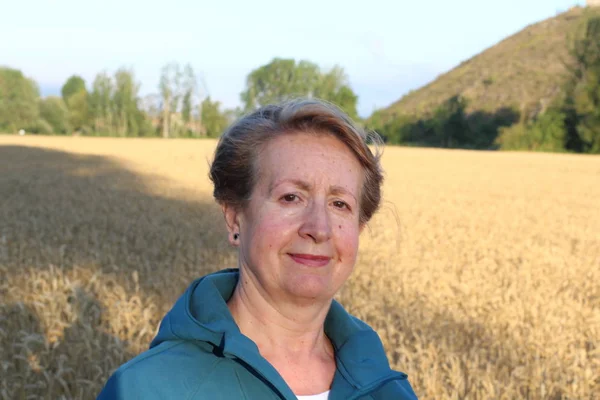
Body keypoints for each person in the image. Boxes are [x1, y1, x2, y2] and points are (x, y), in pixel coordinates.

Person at [97, 99, 418, 399]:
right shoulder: (145, 389)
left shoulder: (389, 390)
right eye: (291, 197)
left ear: (358, 229)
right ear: (235, 217)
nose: (319, 229)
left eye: (339, 204)